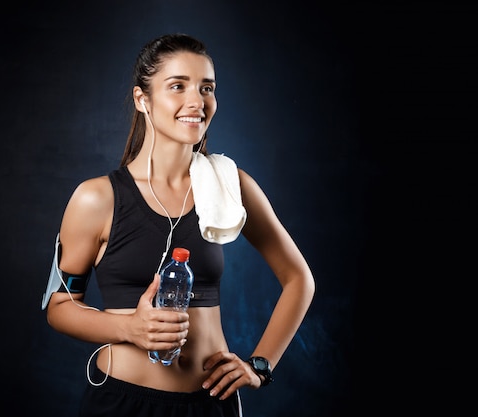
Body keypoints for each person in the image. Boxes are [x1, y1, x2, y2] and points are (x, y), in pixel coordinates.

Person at [43, 33, 315, 417]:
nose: (196, 101)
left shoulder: (230, 186)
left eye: (207, 88)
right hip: (123, 403)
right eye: (177, 86)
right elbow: (59, 306)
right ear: (143, 100)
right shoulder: (97, 198)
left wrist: (260, 365)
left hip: (210, 406)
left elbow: (299, 279)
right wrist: (129, 329)